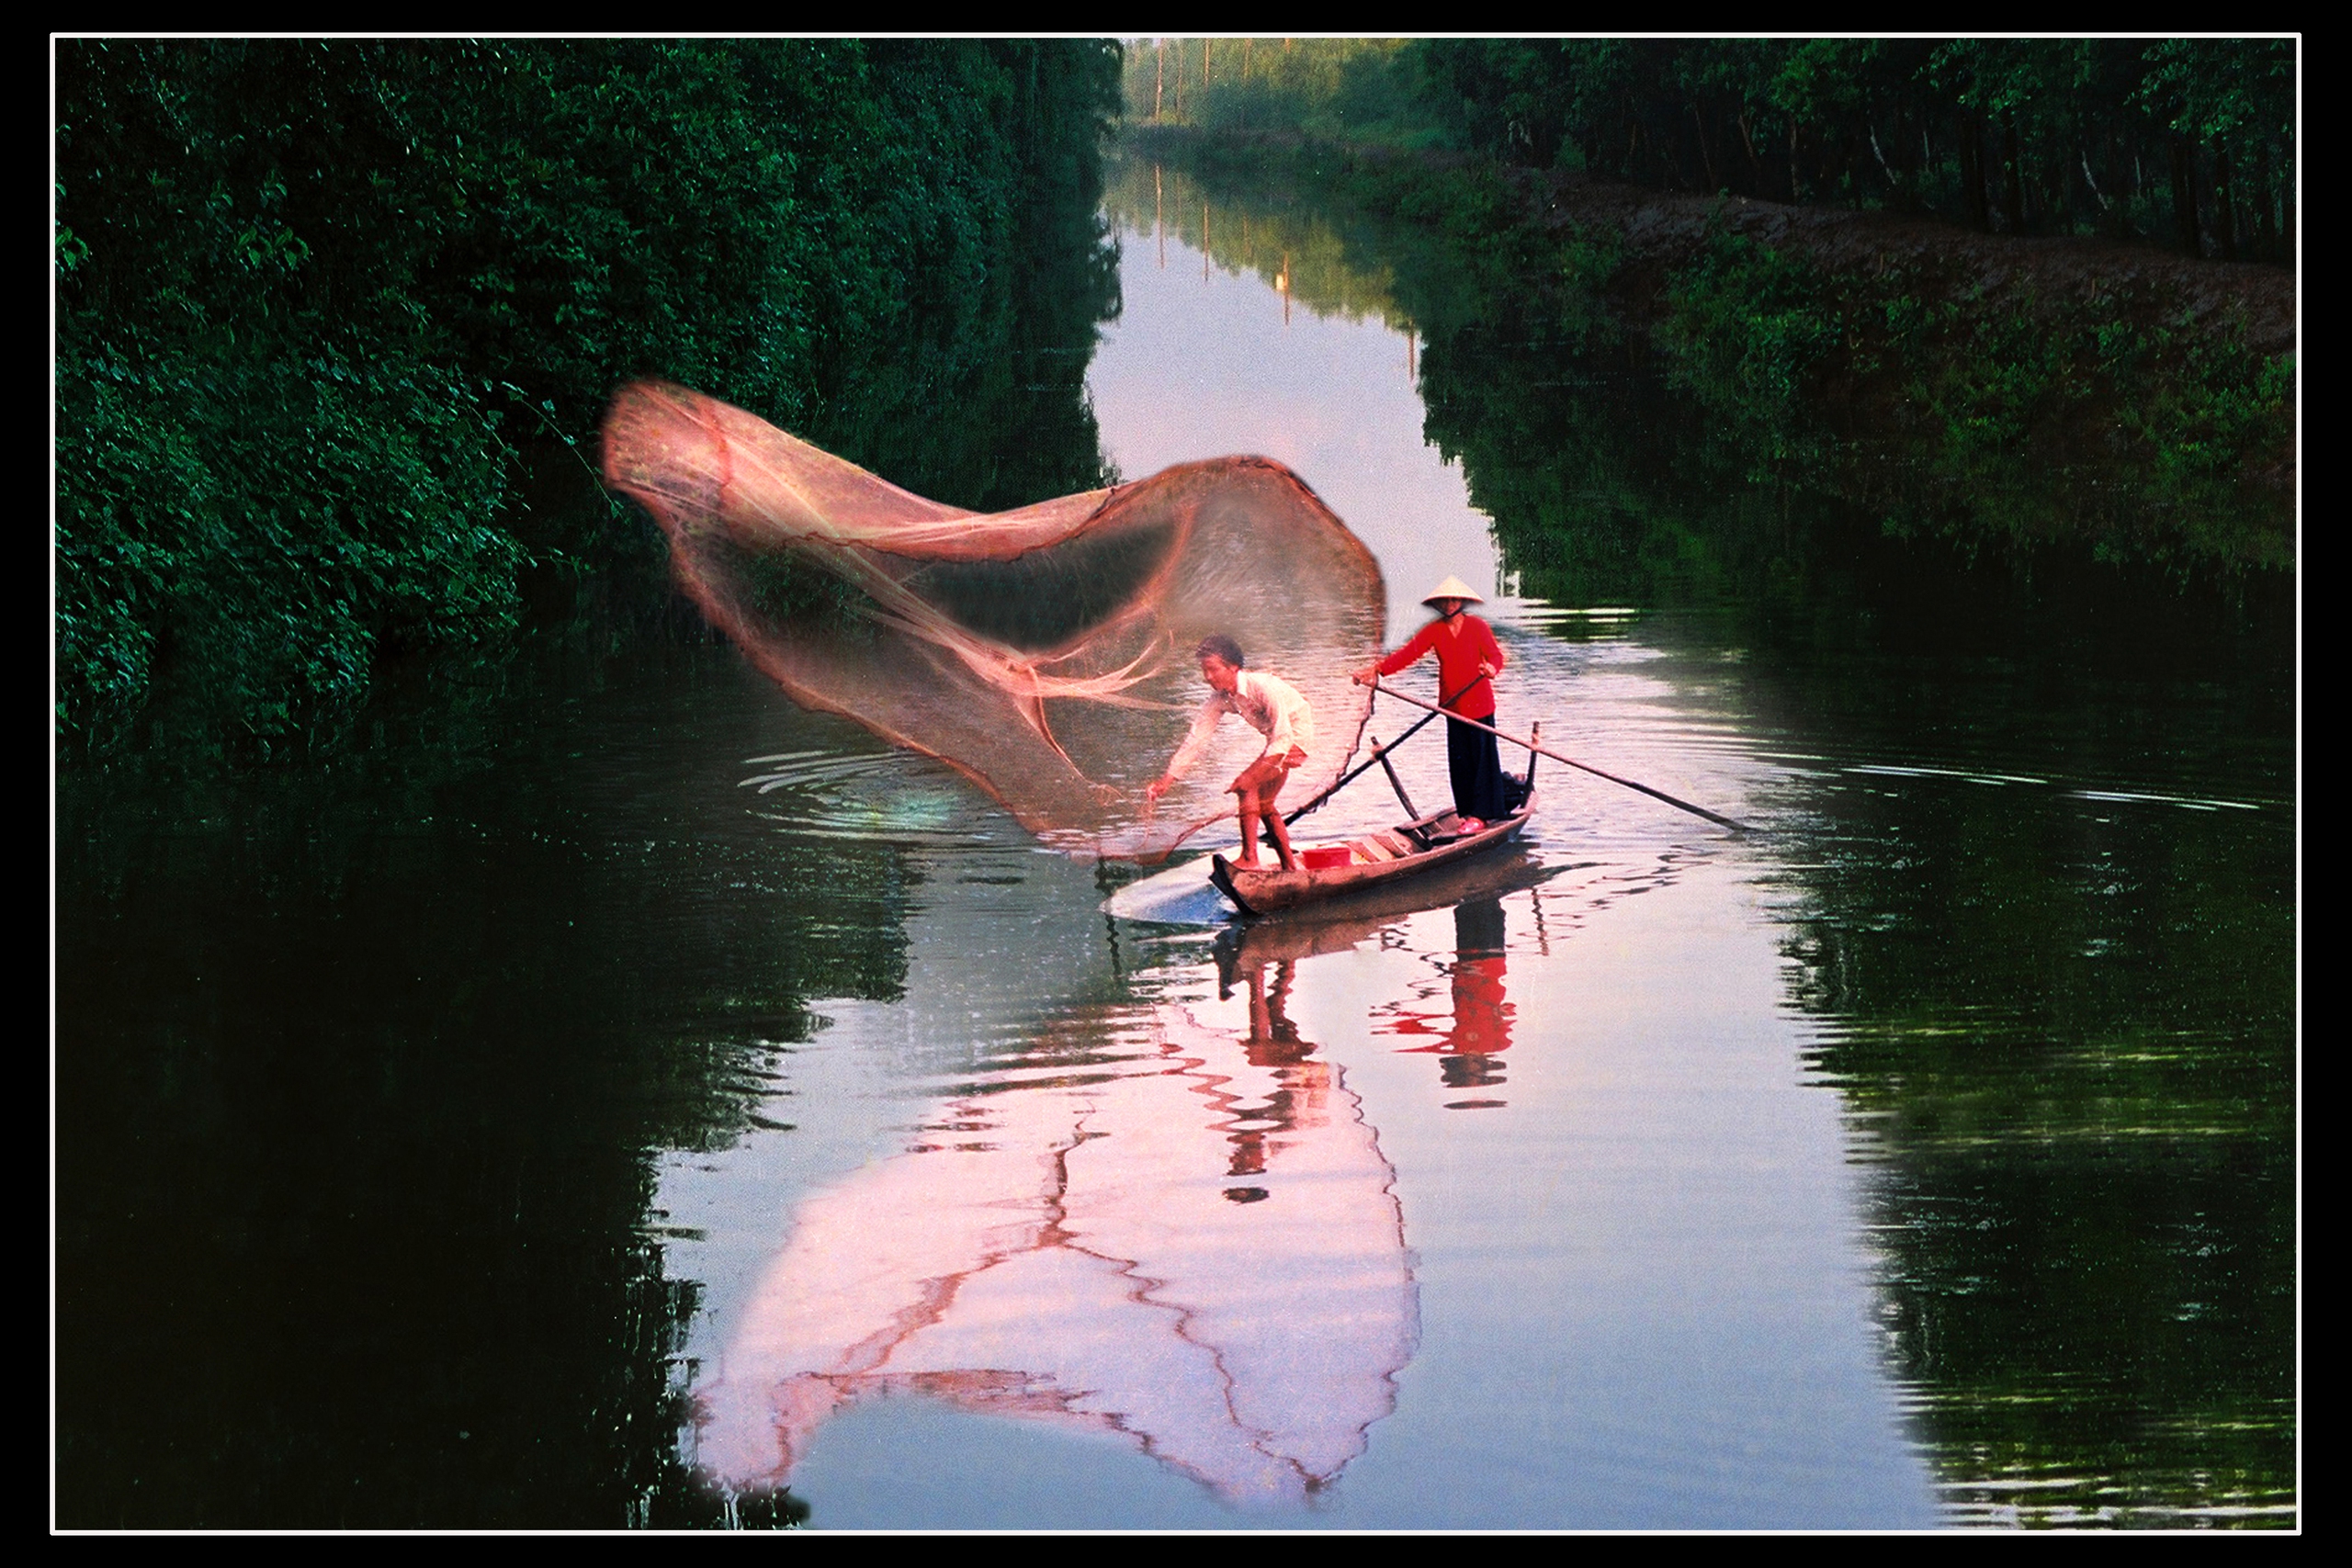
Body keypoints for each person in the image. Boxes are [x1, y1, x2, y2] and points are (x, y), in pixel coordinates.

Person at [1146, 635, 1314, 871]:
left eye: (1213, 670)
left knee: (1247, 785)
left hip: (1295, 736)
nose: (1208, 677)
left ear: (1233, 667)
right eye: (1204, 671)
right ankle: (1289, 866)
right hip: (1277, 739)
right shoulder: (1220, 698)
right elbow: (1197, 738)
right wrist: (1167, 780)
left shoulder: (1262, 686)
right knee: (1265, 806)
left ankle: (1249, 858)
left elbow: (1283, 736)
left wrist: (1251, 777)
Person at [1353, 575, 1510, 824]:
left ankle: (1482, 815)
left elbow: (1495, 657)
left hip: (1479, 704)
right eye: (1444, 600)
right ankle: (1469, 813)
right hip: (1452, 706)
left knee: (1482, 760)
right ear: (1438, 604)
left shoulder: (1478, 626)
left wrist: (1491, 669)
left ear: (1461, 601)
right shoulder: (1435, 630)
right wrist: (1376, 671)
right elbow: (1408, 653)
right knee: (1461, 763)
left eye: (1453, 599)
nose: (1449, 604)